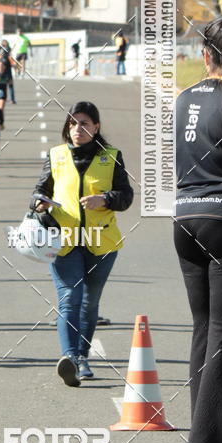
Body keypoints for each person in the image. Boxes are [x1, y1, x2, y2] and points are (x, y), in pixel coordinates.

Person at [174, 13, 222, 443]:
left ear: (206, 55)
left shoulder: (184, 97)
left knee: (204, 327)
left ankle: (214, 436)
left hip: (184, 216)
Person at [31, 101, 133, 386]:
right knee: (69, 298)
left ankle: (82, 355)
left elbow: (126, 196)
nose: (77, 128)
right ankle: (70, 358)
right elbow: (38, 192)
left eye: (84, 123)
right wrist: (39, 204)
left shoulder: (111, 157)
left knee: (89, 302)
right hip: (63, 241)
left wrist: (106, 199)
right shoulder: (56, 155)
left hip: (101, 241)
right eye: (73, 123)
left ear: (96, 127)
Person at [0, 39, 16, 104]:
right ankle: (11, 99)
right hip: (7, 72)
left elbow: (10, 59)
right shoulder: (6, 54)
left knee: (7, 86)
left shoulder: (4, 56)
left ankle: (8, 99)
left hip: (6, 72)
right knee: (8, 86)